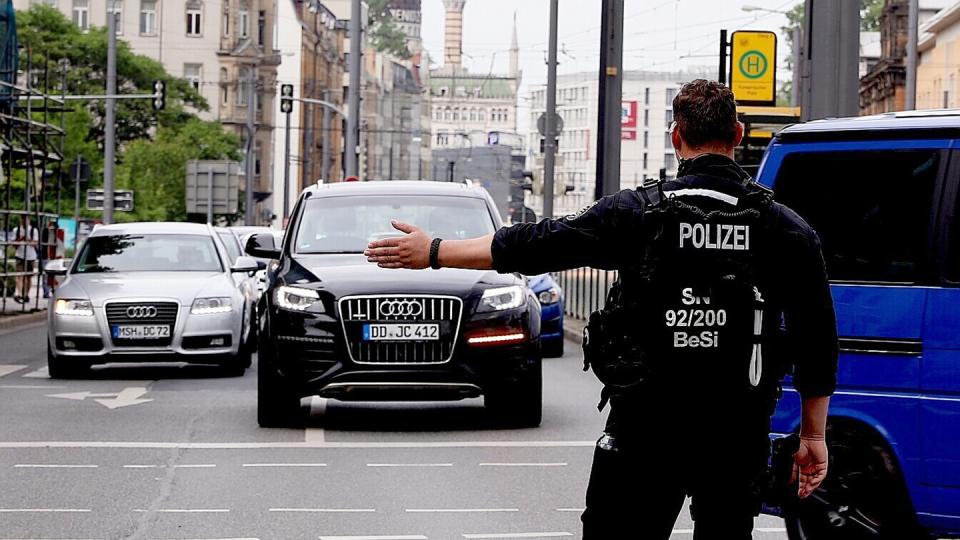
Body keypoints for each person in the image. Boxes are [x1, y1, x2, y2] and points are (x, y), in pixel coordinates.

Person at [365, 80, 838, 538]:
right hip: (736, 433)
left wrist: (434, 251)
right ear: (737, 136)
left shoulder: (637, 214)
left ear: (676, 136)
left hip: (645, 428)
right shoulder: (785, 230)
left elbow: (537, 244)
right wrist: (813, 438)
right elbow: (817, 341)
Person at [12, 216, 39, 305]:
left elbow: (35, 243)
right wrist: (20, 239)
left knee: (28, 277)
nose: (24, 221)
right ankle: (19, 294)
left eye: (26, 219)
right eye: (22, 219)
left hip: (31, 256)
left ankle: (26, 295)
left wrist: (28, 240)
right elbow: (13, 243)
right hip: (19, 255)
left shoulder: (33, 230)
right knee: (19, 275)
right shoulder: (16, 230)